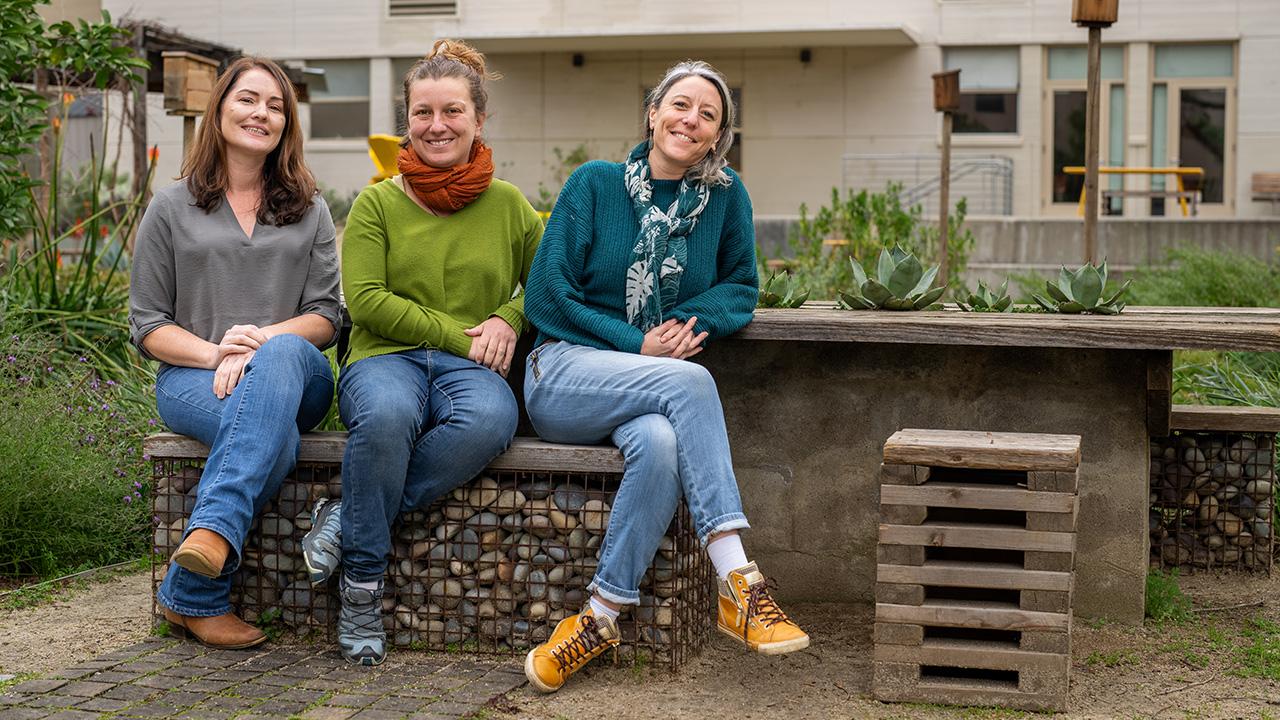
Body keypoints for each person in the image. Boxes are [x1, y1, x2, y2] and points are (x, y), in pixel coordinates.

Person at [520, 60, 809, 692]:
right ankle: (738, 580)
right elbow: (546, 294)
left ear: (717, 137)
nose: (691, 120)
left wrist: (686, 319)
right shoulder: (594, 185)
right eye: (680, 105)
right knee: (692, 383)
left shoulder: (727, 198)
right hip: (564, 371)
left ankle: (596, 620)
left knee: (661, 445)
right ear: (653, 113)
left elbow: (741, 288)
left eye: (708, 115)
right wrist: (639, 343)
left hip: (642, 390)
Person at [300, 39, 543, 666]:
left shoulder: (510, 205)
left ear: (479, 120)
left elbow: (551, 284)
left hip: (471, 371)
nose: (437, 126)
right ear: (407, 120)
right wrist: (461, 332)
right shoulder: (378, 201)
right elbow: (369, 301)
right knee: (383, 420)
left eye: (453, 112)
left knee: (491, 420)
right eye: (423, 113)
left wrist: (509, 318)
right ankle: (361, 590)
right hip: (385, 357)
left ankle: (348, 514)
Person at [129, 57, 341, 649]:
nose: (262, 114)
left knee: (273, 373)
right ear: (219, 109)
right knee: (270, 433)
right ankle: (193, 597)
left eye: (276, 106)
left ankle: (209, 539)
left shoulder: (310, 207)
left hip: (297, 371)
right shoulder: (171, 207)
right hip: (194, 376)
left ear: (286, 125)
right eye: (248, 100)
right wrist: (216, 351)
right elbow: (147, 325)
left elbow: (328, 316)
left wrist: (259, 344)